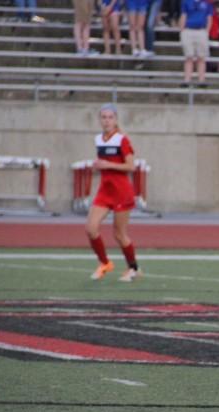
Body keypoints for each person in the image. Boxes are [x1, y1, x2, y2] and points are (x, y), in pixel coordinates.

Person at [86, 104, 142, 283]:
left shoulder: (122, 140)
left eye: (110, 117)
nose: (107, 120)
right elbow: (104, 164)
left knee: (119, 234)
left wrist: (108, 165)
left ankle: (133, 268)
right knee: (91, 228)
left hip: (121, 191)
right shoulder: (98, 139)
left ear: (116, 119)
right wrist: (98, 166)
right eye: (103, 117)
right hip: (105, 190)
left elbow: (131, 166)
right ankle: (104, 263)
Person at [179, 0, 214, 85]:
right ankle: (187, 79)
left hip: (201, 31)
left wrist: (207, 31)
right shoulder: (186, 2)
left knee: (201, 57)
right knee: (189, 57)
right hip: (188, 30)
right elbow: (184, 16)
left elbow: (209, 18)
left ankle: (201, 80)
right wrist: (182, 30)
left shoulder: (207, 3)